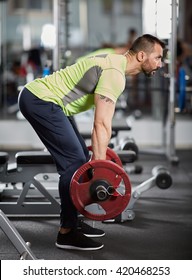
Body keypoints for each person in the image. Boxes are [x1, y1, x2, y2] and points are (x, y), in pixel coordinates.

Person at [18, 34, 165, 251]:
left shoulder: (114, 62)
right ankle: (66, 233)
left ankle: (72, 220)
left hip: (51, 102)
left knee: (79, 161)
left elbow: (101, 125)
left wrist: (95, 163)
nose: (160, 64)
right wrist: (99, 171)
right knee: (75, 163)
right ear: (142, 55)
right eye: (158, 57)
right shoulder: (115, 73)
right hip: (41, 100)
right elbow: (101, 125)